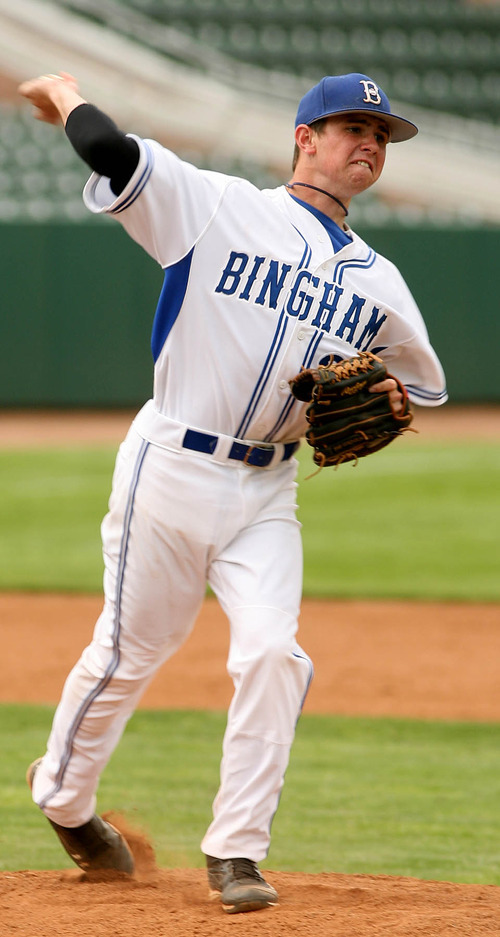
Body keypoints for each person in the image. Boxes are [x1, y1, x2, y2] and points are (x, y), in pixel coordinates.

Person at [18, 70, 447, 914]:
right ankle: (65, 801)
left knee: (272, 653)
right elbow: (110, 152)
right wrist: (65, 94)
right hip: (170, 464)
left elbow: (420, 388)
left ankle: (237, 850)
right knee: (126, 652)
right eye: (352, 126)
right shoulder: (215, 206)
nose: (369, 143)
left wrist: (388, 401)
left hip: (268, 492)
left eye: (381, 135)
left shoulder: (380, 281)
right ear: (305, 138)